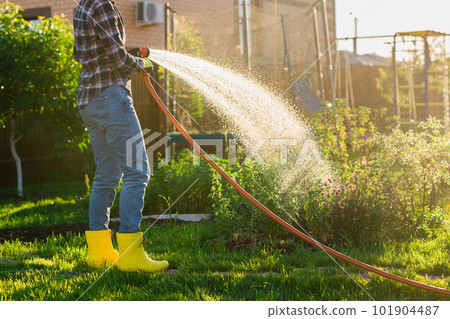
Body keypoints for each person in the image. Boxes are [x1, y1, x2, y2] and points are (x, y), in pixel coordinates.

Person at [73, 0, 168, 273]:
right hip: (110, 97)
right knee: (138, 171)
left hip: (89, 100)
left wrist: (132, 58)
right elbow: (117, 58)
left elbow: (88, 53)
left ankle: (100, 251)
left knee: (106, 174)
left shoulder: (84, 5)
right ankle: (131, 254)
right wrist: (140, 63)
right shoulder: (102, 4)